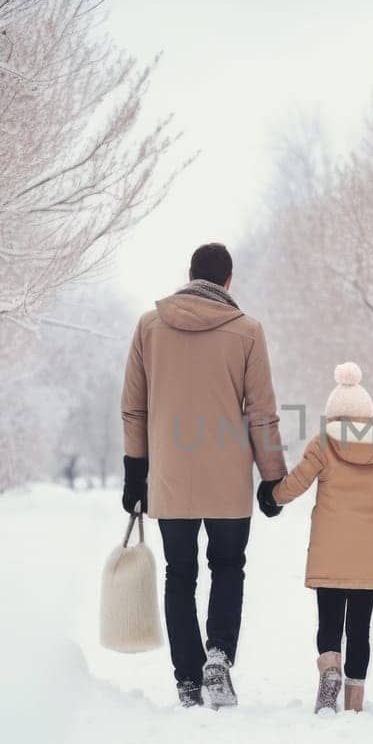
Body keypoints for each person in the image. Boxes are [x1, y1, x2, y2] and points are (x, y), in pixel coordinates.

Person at [121, 243, 286, 708]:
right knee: (228, 567)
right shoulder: (248, 332)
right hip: (228, 478)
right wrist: (272, 479)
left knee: (180, 573)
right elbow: (262, 414)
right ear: (228, 281)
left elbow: (134, 408)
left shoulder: (149, 327)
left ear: (190, 275)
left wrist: (136, 475)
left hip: (169, 475)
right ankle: (219, 655)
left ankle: (188, 680)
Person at [270, 363, 373, 714]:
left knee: (329, 622)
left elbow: (296, 482)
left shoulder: (323, 444)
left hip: (330, 552)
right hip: (369, 556)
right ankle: (354, 702)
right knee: (360, 628)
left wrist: (272, 497)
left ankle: (329, 673)